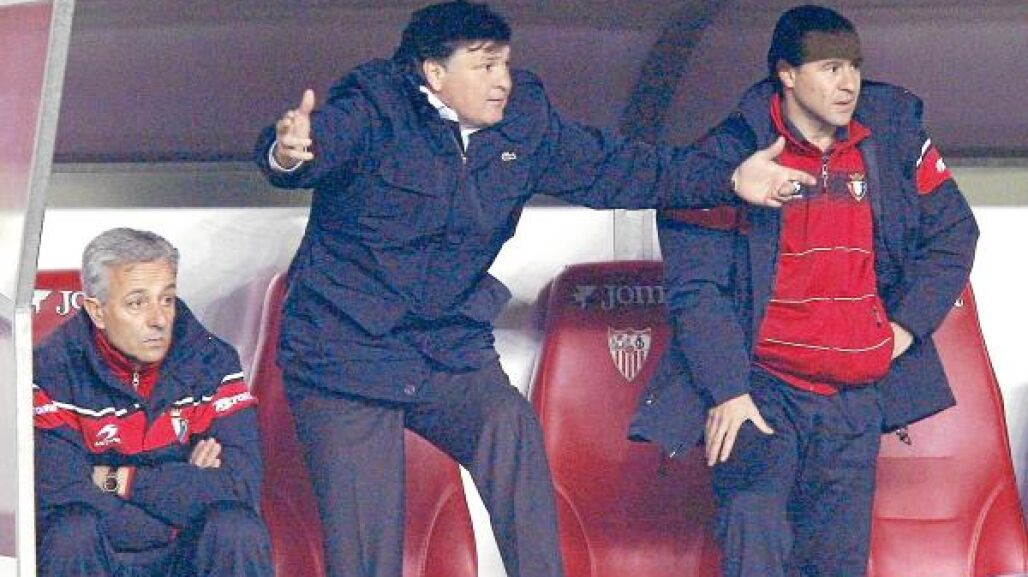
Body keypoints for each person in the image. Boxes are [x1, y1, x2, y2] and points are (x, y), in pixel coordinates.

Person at [253, 2, 815, 576]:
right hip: (344, 351)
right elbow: (317, 145)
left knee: (509, 428)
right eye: (484, 66)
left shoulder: (525, 120)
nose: (502, 80)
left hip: (445, 345)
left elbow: (618, 167)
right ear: (434, 73)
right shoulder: (374, 107)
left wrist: (728, 179)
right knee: (366, 548)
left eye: (505, 63)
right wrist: (288, 153)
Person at [629, 5, 978, 577]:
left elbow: (955, 234)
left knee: (835, 563)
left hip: (855, 396)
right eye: (831, 68)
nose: (849, 83)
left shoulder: (891, 137)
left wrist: (903, 329)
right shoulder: (727, 156)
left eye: (855, 67)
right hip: (762, 390)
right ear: (787, 74)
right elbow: (697, 289)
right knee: (755, 539)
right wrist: (728, 392)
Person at [33, 228, 273, 577]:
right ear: (97, 311)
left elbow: (240, 487)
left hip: (185, 549)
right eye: (137, 303)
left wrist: (117, 479)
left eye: (167, 299)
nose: (158, 320)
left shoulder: (212, 362)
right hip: (105, 549)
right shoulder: (51, 370)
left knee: (236, 528)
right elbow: (59, 495)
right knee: (70, 533)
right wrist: (180, 496)